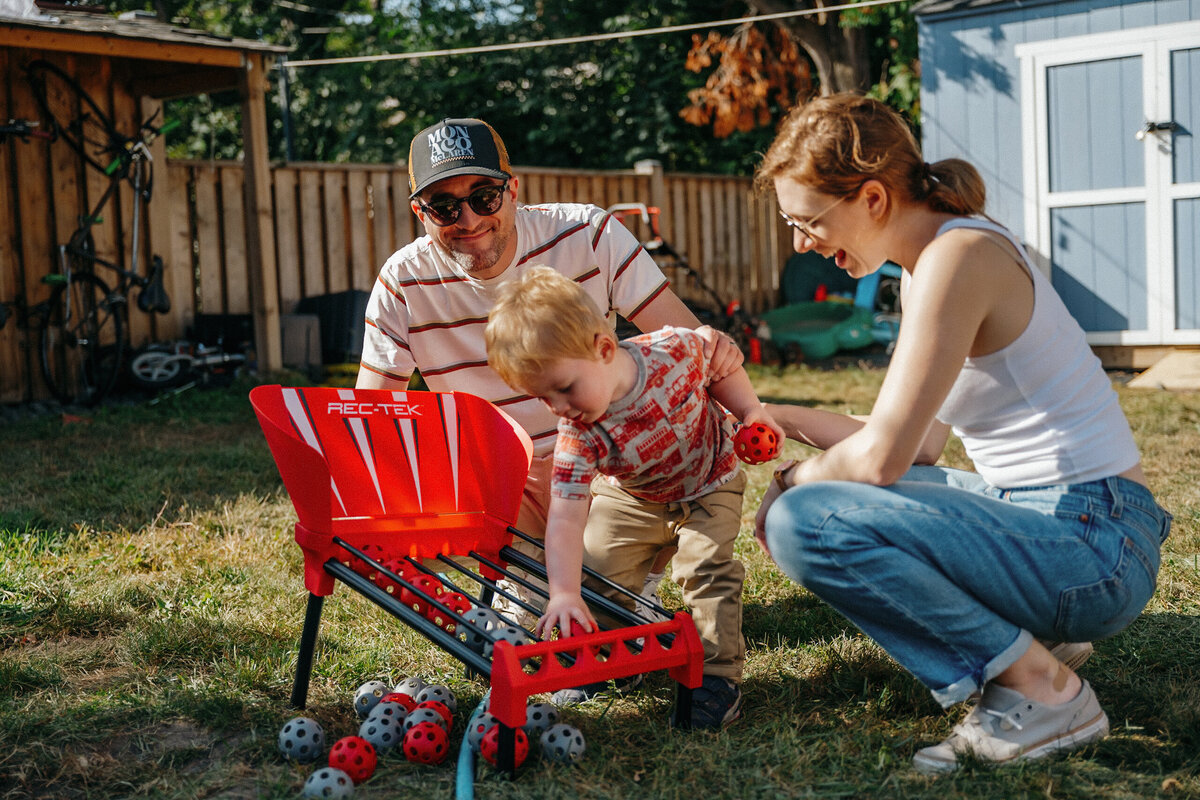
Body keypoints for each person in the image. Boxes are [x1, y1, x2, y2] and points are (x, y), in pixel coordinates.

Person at [751, 94, 1172, 773]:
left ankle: (1042, 688)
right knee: (837, 499)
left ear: (872, 199)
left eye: (808, 222)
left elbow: (883, 458)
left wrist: (790, 481)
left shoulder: (959, 258)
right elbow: (915, 445)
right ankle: (1035, 646)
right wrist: (775, 416)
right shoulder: (934, 263)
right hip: (1071, 526)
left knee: (809, 523)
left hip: (1094, 545)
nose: (802, 243)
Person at [357, 118, 740, 611]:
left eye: (484, 197)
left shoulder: (589, 234)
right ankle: (530, 583)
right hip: (505, 478)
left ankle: (633, 576)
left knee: (667, 426)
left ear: (512, 189)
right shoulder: (403, 282)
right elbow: (370, 418)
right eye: (445, 207)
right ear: (420, 212)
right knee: (488, 470)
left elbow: (693, 349)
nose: (469, 220)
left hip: (610, 460)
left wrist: (745, 414)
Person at [484, 266, 783, 728]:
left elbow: (722, 367)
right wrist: (563, 592)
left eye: (564, 388)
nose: (559, 408)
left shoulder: (675, 350)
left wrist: (750, 411)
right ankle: (615, 655)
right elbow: (565, 518)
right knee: (599, 570)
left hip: (709, 481)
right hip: (634, 497)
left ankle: (717, 679)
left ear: (605, 348)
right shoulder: (578, 432)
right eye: (544, 398)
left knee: (707, 572)